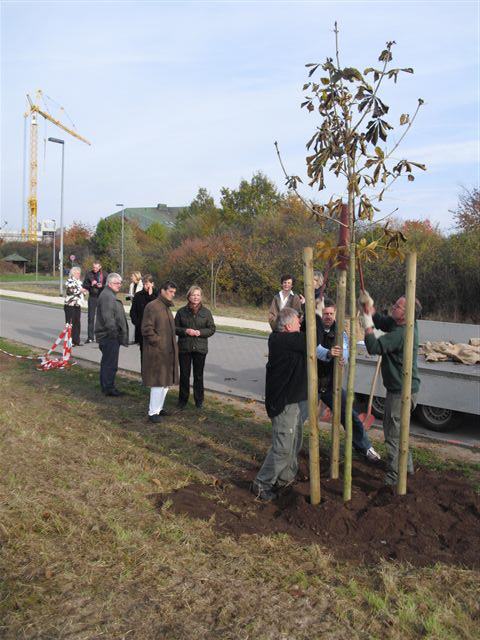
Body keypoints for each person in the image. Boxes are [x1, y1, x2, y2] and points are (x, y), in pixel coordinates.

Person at [362, 295, 421, 486]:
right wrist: (371, 310)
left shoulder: (401, 334)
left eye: (398, 306)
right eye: (395, 304)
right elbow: (385, 322)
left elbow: (373, 347)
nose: (393, 307)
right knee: (400, 431)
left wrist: (368, 325)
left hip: (400, 392)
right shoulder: (404, 324)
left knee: (393, 434)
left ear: (407, 314)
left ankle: (394, 475)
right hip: (405, 388)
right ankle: (407, 467)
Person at [314, 300, 381, 462]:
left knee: (349, 415)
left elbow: (345, 350)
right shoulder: (313, 328)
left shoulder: (339, 331)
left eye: (331, 313)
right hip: (310, 382)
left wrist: (342, 357)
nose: (328, 316)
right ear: (320, 314)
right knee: (298, 416)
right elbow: (314, 349)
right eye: (325, 313)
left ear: (335, 314)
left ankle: (365, 448)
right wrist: (329, 353)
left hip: (329, 384)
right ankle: (288, 449)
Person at [252, 307, 308, 502]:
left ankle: (285, 479)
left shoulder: (290, 340)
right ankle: (261, 484)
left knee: (294, 443)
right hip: (283, 404)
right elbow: (311, 339)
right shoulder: (281, 340)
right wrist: (314, 310)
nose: (301, 324)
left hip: (294, 401)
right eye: (298, 322)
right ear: (288, 326)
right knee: (283, 448)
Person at [141, 280, 179, 423]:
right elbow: (146, 329)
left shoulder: (165, 307)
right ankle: (153, 412)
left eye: (174, 292)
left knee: (166, 382)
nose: (172, 294)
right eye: (170, 291)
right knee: (158, 382)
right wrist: (158, 342)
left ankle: (159, 408)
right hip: (157, 352)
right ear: (162, 290)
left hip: (168, 351)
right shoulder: (153, 306)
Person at [175, 285, 216, 409]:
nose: (196, 297)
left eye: (198, 295)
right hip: (184, 348)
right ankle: (182, 400)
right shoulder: (181, 312)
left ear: (201, 297)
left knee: (198, 376)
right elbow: (174, 328)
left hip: (200, 348)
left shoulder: (206, 312)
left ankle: (199, 400)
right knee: (184, 375)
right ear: (189, 296)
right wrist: (185, 331)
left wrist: (200, 332)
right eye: (193, 295)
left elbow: (212, 329)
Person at [94, 273, 129, 396]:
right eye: (116, 283)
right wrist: (114, 334)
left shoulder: (109, 294)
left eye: (120, 283)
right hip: (109, 336)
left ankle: (106, 386)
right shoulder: (108, 296)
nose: (119, 285)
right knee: (110, 364)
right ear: (109, 283)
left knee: (107, 362)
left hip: (109, 335)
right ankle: (109, 388)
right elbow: (108, 318)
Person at [129, 274, 157, 363]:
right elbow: (133, 312)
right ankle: (144, 371)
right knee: (144, 355)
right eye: (144, 284)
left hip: (155, 331)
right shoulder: (138, 295)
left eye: (147, 284)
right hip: (142, 330)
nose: (146, 286)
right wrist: (137, 323)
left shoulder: (157, 295)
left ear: (152, 284)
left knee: (154, 356)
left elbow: (157, 310)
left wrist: (150, 296)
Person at [83, 261, 106, 343]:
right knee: (91, 317)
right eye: (93, 267)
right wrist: (91, 285)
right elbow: (85, 285)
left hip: (101, 297)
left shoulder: (104, 274)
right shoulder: (89, 274)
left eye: (96, 267)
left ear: (100, 267)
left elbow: (108, 285)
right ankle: (90, 337)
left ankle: (100, 336)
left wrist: (102, 286)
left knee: (101, 318)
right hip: (92, 297)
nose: (95, 269)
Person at [64, 266, 87, 346]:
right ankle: (69, 341)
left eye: (79, 273)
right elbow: (70, 291)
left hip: (77, 305)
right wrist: (80, 290)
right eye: (77, 273)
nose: (78, 275)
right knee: (70, 323)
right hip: (70, 305)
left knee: (77, 322)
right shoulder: (69, 281)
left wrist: (84, 291)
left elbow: (83, 292)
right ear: (73, 274)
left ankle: (76, 341)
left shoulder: (79, 282)